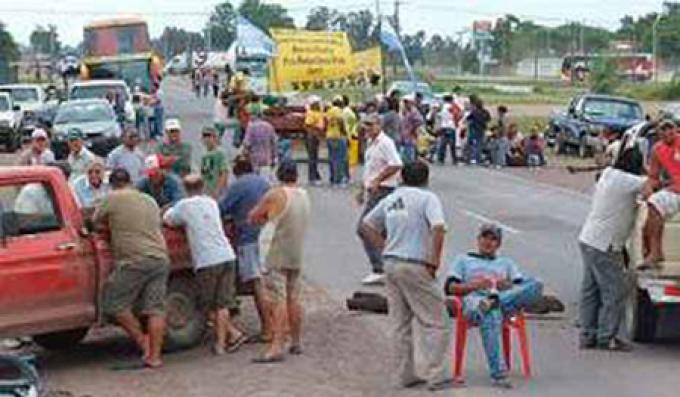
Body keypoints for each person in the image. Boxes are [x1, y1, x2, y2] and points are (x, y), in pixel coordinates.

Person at [360, 161, 453, 391]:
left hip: (391, 263)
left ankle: (404, 374)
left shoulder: (392, 199)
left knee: (400, 324)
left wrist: (385, 248)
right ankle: (436, 374)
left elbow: (367, 225)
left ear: (402, 177)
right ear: (426, 179)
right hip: (416, 264)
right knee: (436, 321)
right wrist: (434, 261)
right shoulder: (427, 198)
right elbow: (438, 228)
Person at [445, 224, 543, 388]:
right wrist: (474, 285)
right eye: (485, 237)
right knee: (491, 314)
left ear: (498, 244)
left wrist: (507, 285)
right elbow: (449, 288)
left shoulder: (506, 263)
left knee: (536, 284)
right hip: (474, 300)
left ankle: (492, 302)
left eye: (493, 239)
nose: (488, 242)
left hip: (502, 299)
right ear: (478, 239)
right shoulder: (463, 260)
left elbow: (521, 289)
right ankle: (498, 374)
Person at [93, 168, 170, 369]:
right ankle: (155, 356)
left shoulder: (111, 199)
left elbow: (94, 222)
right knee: (155, 309)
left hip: (134, 260)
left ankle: (143, 341)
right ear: (131, 182)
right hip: (160, 257)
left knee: (113, 302)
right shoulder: (148, 200)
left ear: (112, 184)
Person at [163, 174, 246, 355]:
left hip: (207, 259)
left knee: (207, 305)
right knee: (223, 303)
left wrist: (170, 207)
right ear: (202, 187)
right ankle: (227, 339)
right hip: (226, 254)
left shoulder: (185, 206)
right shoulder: (211, 202)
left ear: (185, 189)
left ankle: (226, 339)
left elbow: (168, 218)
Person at [578, 142, 646, 352]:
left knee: (590, 291)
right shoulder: (627, 181)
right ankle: (607, 337)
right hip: (604, 244)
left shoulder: (609, 174)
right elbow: (651, 183)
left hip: (589, 238)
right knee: (615, 291)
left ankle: (587, 335)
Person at [248, 161, 311, 363]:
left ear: (278, 175)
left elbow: (253, 217)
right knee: (294, 297)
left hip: (276, 250)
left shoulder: (275, 195)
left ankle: (276, 345)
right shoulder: (303, 195)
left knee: (277, 299)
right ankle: (296, 340)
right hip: (296, 252)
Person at [220, 155, 272, 342]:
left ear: (236, 171)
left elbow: (221, 209)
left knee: (257, 285)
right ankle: (279, 325)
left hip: (249, 237)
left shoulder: (237, 186)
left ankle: (268, 329)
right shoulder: (264, 183)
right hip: (268, 235)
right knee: (269, 283)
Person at [356, 114, 404, 285]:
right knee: (382, 231)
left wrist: (378, 180)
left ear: (379, 125)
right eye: (365, 125)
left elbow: (396, 164)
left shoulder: (385, 143)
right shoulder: (371, 144)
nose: (367, 128)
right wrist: (363, 188)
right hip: (374, 190)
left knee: (365, 227)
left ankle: (380, 268)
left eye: (371, 125)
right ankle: (390, 267)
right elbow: (369, 169)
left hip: (385, 190)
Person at [642, 119, 680, 267]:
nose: (667, 132)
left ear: (676, 129)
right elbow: (653, 176)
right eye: (663, 130)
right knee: (653, 203)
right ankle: (655, 252)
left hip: (676, 190)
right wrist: (648, 187)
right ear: (658, 133)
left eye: (670, 128)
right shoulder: (657, 149)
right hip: (675, 191)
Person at [242, 106, 277, 179]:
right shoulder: (269, 126)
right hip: (267, 157)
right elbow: (274, 143)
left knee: (255, 179)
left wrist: (244, 154)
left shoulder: (251, 127)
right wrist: (274, 157)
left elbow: (247, 143)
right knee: (266, 179)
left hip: (254, 158)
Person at [201, 126, 229, 198]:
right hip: (206, 192)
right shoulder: (204, 155)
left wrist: (218, 190)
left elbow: (224, 172)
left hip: (217, 193)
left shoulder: (220, 153)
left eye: (209, 136)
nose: (207, 139)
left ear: (215, 138)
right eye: (205, 136)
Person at [325, 97, 348, 187]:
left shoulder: (329, 111)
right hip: (338, 136)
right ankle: (338, 180)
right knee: (340, 159)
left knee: (332, 158)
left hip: (329, 135)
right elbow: (340, 120)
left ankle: (332, 178)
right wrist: (344, 132)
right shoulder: (338, 111)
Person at [303, 96, 325, 185]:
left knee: (315, 157)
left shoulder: (317, 112)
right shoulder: (311, 113)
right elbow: (307, 125)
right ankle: (312, 177)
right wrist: (315, 131)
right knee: (312, 157)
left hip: (316, 135)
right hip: (312, 136)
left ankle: (316, 175)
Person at [466, 95, 491, 165]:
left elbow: (468, 119)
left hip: (474, 130)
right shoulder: (485, 112)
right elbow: (489, 119)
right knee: (479, 145)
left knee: (472, 144)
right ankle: (478, 158)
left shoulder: (474, 112)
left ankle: (471, 158)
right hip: (482, 129)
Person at [399, 95, 424, 163]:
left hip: (410, 137)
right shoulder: (402, 111)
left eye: (408, 102)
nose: (406, 104)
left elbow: (420, 121)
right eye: (405, 102)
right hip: (402, 137)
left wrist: (414, 128)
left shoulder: (414, 111)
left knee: (410, 156)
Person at [437, 95, 462, 165]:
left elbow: (438, 116)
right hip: (451, 126)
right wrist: (456, 122)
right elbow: (458, 115)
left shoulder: (441, 107)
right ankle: (454, 159)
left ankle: (440, 159)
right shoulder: (452, 106)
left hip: (443, 126)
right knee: (452, 145)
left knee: (442, 144)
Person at [342, 95, 359, 182]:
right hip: (352, 135)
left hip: (350, 135)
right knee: (351, 158)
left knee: (348, 158)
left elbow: (346, 126)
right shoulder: (348, 111)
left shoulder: (345, 112)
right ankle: (349, 176)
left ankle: (348, 176)